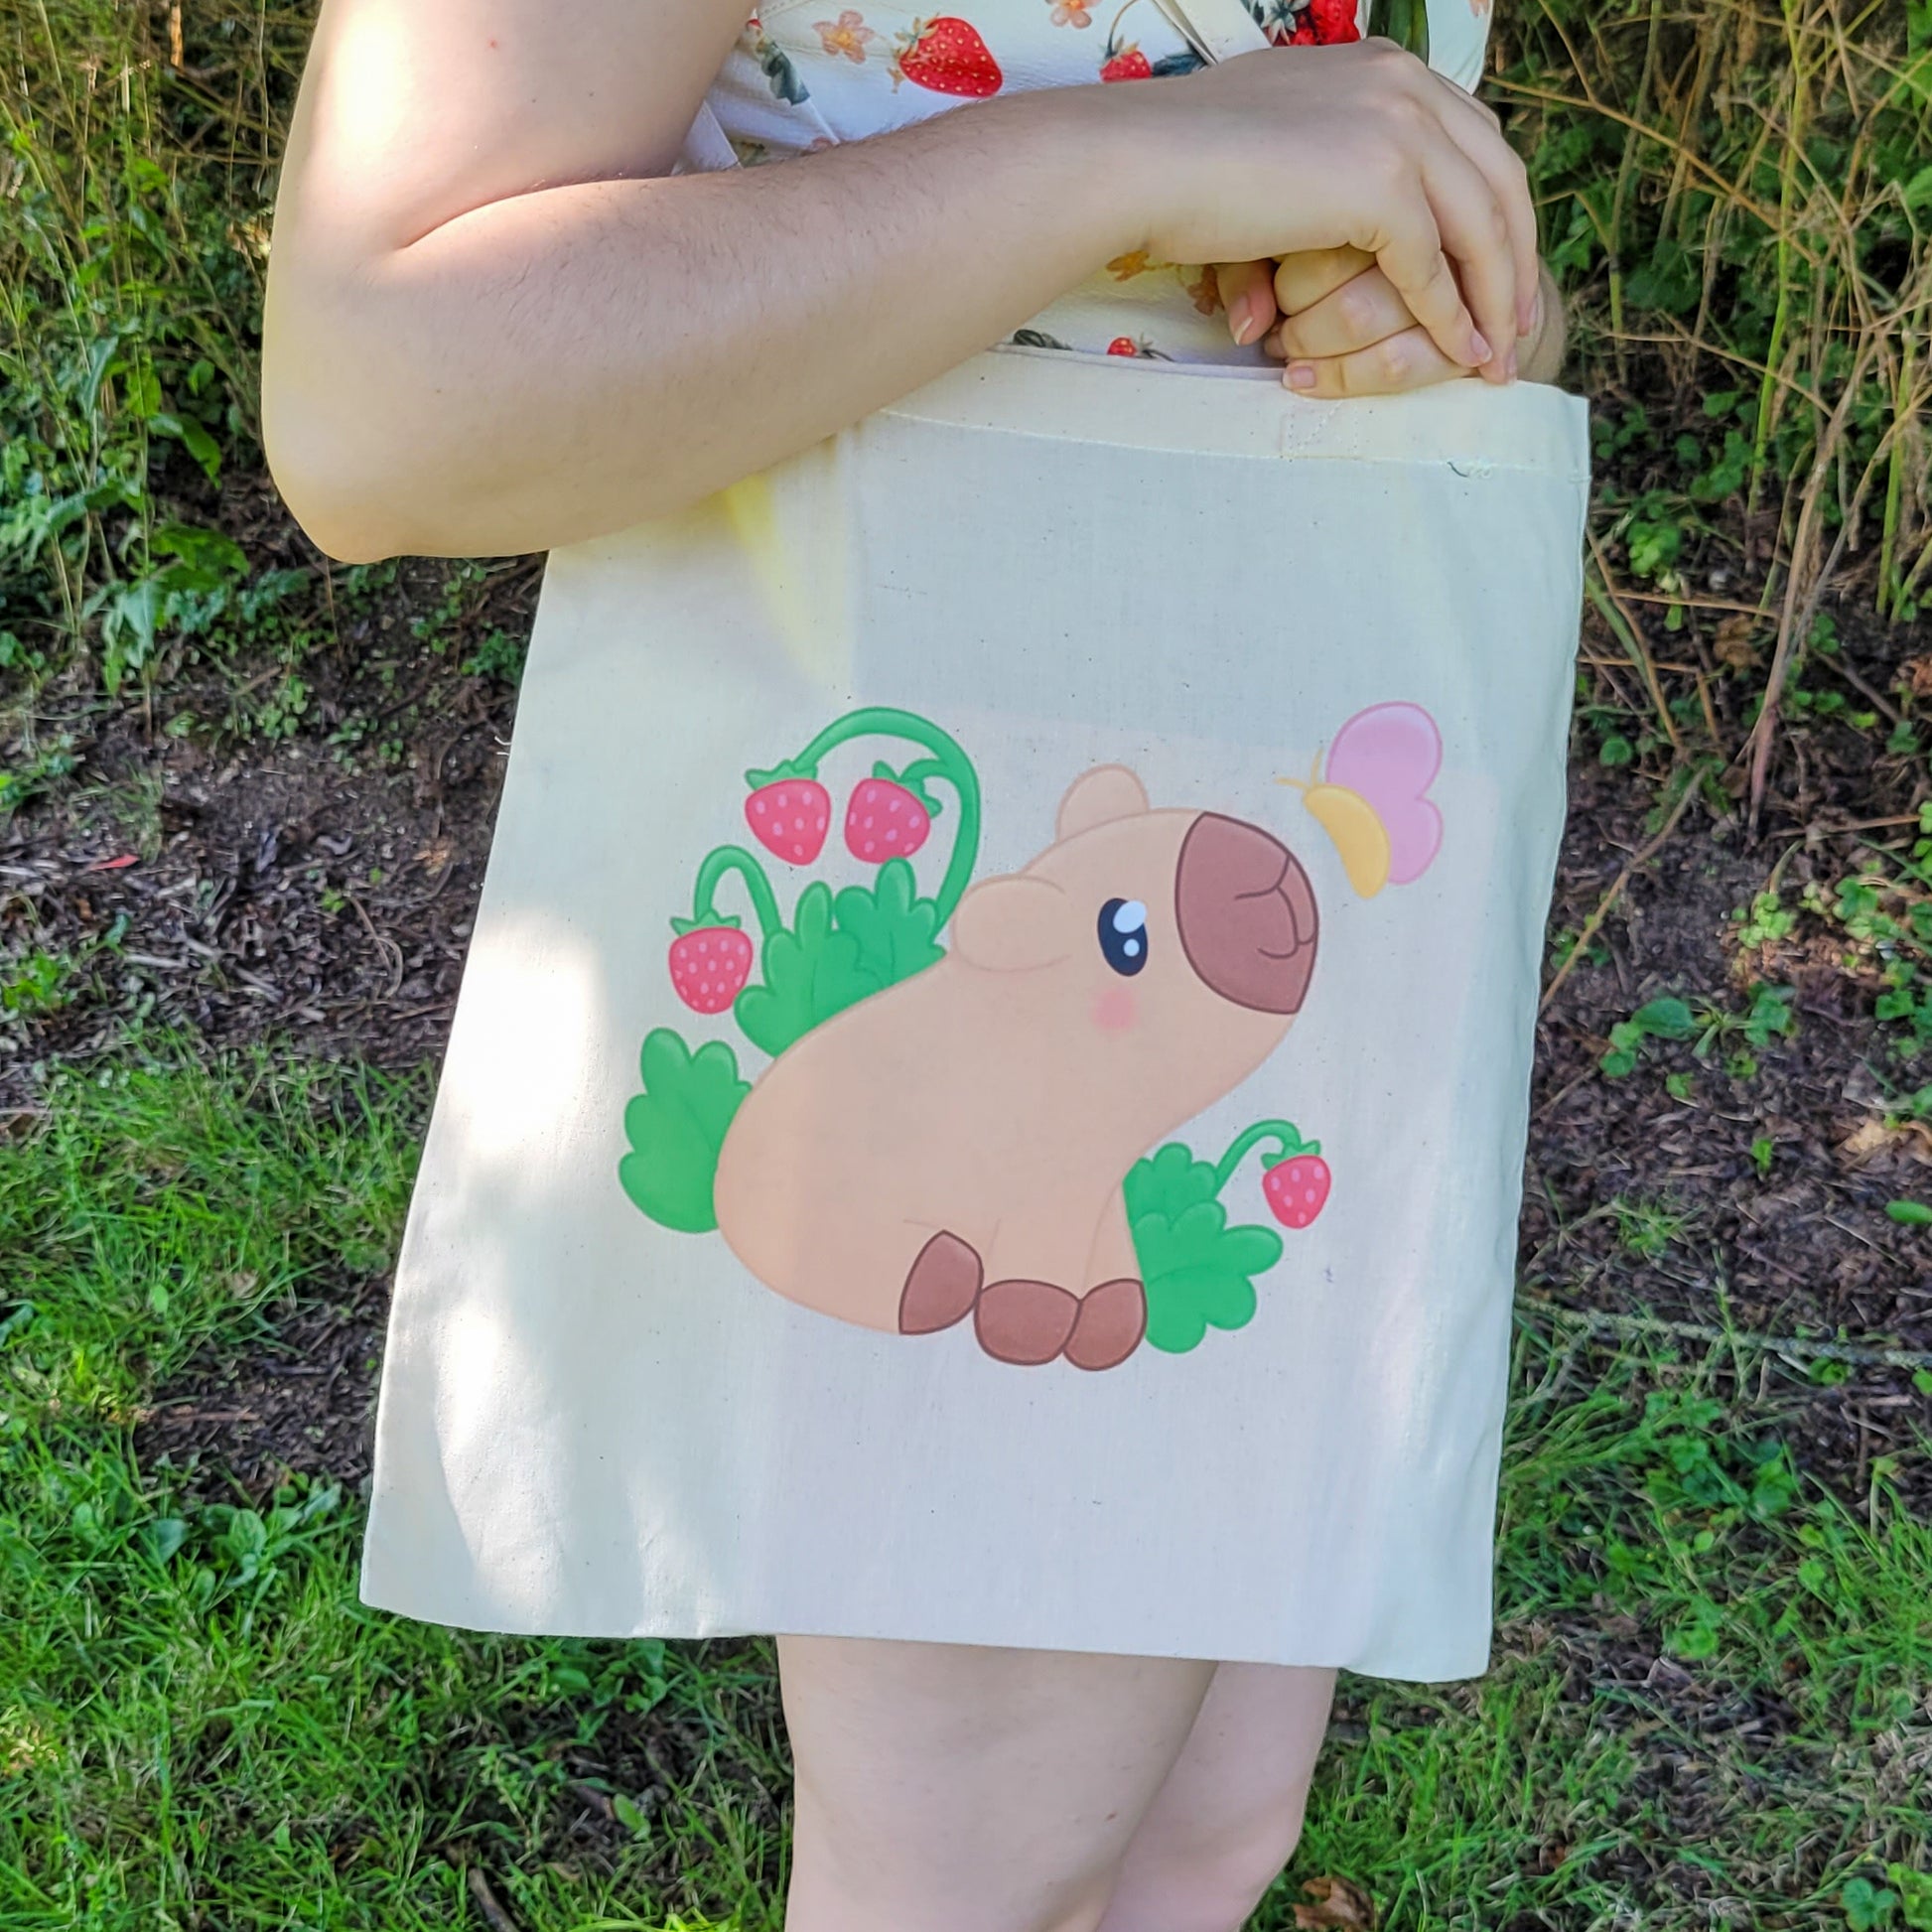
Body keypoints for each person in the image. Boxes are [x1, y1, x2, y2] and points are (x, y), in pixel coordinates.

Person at [262, 1, 1572, 1926]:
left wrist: (1433, 284)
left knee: (1203, 1837)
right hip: (1025, 882)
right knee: (975, 1876)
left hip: (1291, 796)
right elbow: (384, 390)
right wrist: (1136, 158)